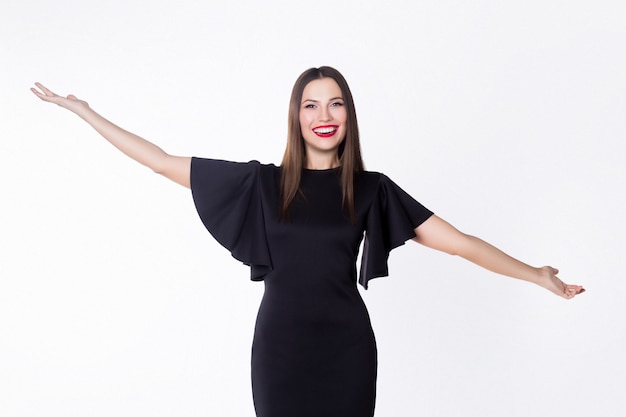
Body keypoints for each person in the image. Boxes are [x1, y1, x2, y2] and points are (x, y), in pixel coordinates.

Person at [31, 66, 584, 417]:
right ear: (296, 116)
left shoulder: (372, 190)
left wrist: (536, 274)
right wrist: (83, 111)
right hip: (280, 352)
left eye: (336, 103)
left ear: (349, 115)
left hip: (347, 350)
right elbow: (158, 162)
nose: (325, 115)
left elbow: (460, 242)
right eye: (311, 104)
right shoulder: (261, 183)